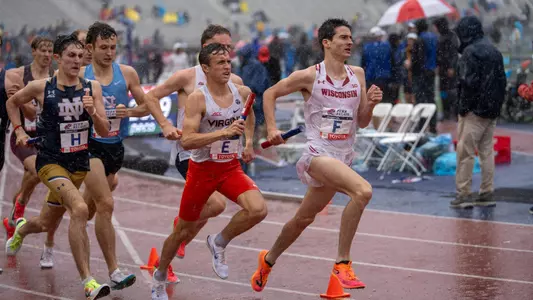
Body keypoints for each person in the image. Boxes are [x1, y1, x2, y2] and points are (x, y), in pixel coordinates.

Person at [249, 18, 382, 292]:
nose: (350, 42)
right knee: (363, 192)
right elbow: (270, 93)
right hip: (317, 155)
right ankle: (342, 263)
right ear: (327, 42)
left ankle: (268, 260)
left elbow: (363, 121)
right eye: (343, 37)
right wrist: (272, 128)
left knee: (303, 219)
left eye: (350, 37)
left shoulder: (357, 74)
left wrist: (371, 104)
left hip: (342, 156)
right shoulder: (310, 75)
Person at [151, 43, 267, 300]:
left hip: (230, 168)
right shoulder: (198, 98)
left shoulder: (242, 91)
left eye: (228, 62)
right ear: (205, 68)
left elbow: (248, 116)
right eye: (220, 63)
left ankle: (219, 242)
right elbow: (187, 140)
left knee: (259, 209)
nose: (227, 67)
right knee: (181, 231)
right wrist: (224, 132)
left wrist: (247, 141)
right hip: (201, 171)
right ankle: (159, 274)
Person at [5, 33, 111, 300]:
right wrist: (18, 131)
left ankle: (21, 229)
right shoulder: (42, 87)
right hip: (50, 163)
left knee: (43, 223)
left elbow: (104, 130)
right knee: (80, 208)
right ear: (57, 59)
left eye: (79, 56)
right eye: (71, 56)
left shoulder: (92, 88)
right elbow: (12, 102)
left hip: (78, 164)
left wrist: (93, 112)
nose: (77, 61)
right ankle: (88, 282)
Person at [39, 22, 140, 289]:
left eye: (113, 48)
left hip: (111, 146)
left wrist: (129, 113)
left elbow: (141, 108)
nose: (109, 52)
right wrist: (22, 127)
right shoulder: (71, 75)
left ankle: (35, 231)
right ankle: (113, 271)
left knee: (60, 216)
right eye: (103, 47)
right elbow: (33, 97)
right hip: (82, 150)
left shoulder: (114, 77)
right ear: (90, 48)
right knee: (104, 204)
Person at [145, 24, 242, 259]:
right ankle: (181, 229)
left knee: (212, 209)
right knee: (216, 205)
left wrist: (245, 144)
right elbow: (151, 96)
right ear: (205, 48)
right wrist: (166, 125)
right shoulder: (186, 76)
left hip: (221, 155)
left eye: (229, 47)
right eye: (220, 46)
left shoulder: (234, 80)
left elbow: (241, 112)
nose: (226, 52)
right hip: (190, 152)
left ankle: (178, 239)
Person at [2, 36, 54, 251]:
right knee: (37, 172)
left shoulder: (55, 78)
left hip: (46, 138)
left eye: (50, 51)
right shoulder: (16, 75)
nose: (47, 55)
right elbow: (29, 114)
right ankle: (19, 211)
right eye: (43, 50)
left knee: (30, 180)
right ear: (33, 51)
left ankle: (11, 218)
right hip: (23, 135)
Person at [450, 16, 506, 209]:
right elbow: (501, 82)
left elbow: (468, 83)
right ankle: (487, 192)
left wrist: (463, 108)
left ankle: (464, 194)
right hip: (491, 110)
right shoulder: (494, 50)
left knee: (465, 153)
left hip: (473, 110)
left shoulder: (470, 52)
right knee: (486, 152)